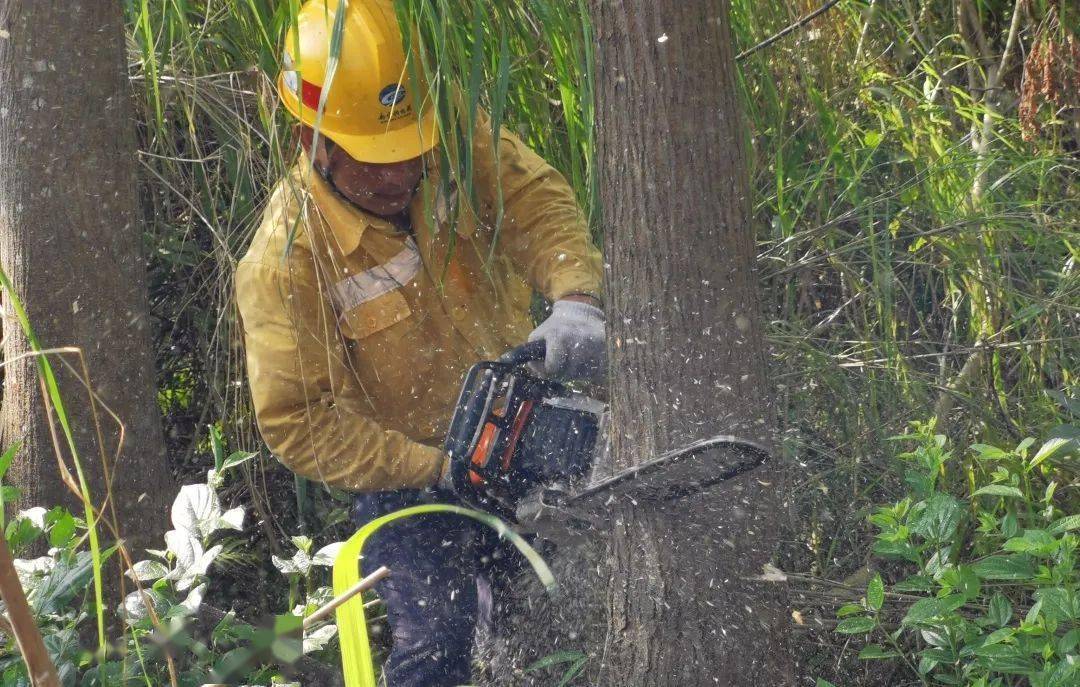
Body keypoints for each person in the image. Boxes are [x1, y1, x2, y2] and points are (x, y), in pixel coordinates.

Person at [235, 1, 604, 684]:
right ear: (312, 140)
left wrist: (574, 300)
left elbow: (534, 202)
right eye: (377, 162)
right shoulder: (286, 262)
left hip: (517, 411)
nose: (402, 173)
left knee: (549, 613)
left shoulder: (448, 130)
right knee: (439, 637)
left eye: (411, 151)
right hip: (406, 472)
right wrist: (435, 466)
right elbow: (298, 422)